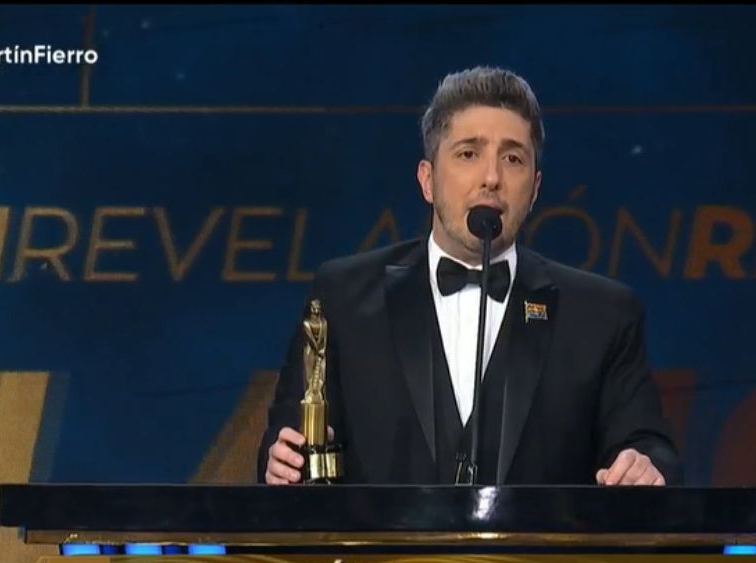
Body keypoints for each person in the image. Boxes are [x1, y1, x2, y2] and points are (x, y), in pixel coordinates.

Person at [258, 66, 679, 486]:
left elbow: (649, 448)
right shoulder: (342, 297)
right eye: (468, 154)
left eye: (512, 158)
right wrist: (280, 463)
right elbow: (284, 445)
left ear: (534, 189)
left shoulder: (600, 314)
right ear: (428, 180)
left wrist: (644, 466)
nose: (491, 178)